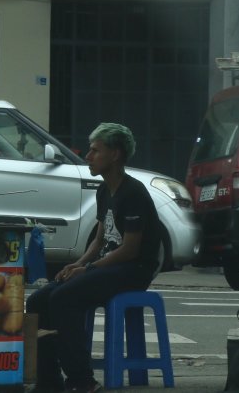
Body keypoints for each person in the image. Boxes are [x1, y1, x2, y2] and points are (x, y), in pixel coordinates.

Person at [25, 122, 162, 393]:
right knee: (38, 299)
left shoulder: (133, 193)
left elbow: (130, 249)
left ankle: (81, 380)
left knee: (64, 298)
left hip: (134, 269)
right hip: (109, 266)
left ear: (115, 154)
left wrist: (88, 269)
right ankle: (49, 380)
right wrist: (77, 264)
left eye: (95, 151)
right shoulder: (104, 191)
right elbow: (99, 240)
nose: (88, 156)